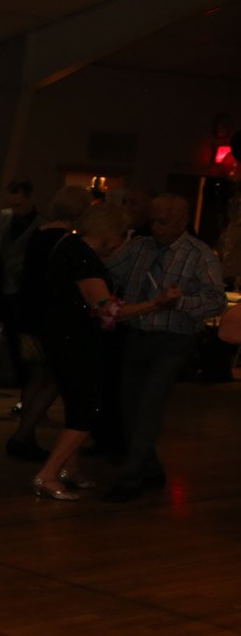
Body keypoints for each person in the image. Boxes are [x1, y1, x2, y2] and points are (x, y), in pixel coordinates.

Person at [28, 202, 178, 501]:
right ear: (110, 233)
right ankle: (48, 474)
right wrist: (156, 303)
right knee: (87, 410)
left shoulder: (66, 245)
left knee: (77, 405)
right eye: (122, 235)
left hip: (60, 338)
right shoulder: (84, 258)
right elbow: (107, 310)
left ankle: (70, 467)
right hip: (76, 343)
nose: (122, 242)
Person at [103, 193, 226, 501]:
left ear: (183, 221)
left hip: (173, 340)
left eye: (164, 221)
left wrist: (180, 302)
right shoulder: (139, 247)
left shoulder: (198, 254)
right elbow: (107, 270)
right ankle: (150, 467)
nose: (156, 227)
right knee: (129, 406)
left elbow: (216, 300)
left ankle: (130, 477)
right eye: (153, 220)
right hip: (136, 335)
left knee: (149, 405)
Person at [5, 185, 91, 462]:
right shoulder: (66, 240)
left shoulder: (39, 233)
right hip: (48, 316)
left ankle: (24, 434)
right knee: (53, 378)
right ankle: (23, 435)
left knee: (36, 376)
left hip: (28, 311)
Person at [0, 178, 39, 388]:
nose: (15, 209)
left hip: (20, 291)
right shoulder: (3, 217)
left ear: (29, 198)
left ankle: (22, 386)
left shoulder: (40, 224)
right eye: (12, 205)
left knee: (16, 341)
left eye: (18, 204)